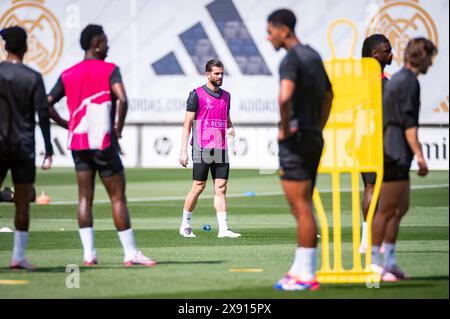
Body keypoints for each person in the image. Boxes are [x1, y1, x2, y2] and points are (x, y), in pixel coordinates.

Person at [47, 24, 156, 267]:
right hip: (103, 141)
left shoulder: (68, 73)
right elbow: (123, 99)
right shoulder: (109, 69)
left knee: (84, 198)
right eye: (105, 42)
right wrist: (118, 127)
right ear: (96, 43)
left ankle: (89, 255)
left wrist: (68, 124)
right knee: (117, 198)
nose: (108, 46)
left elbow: (47, 103)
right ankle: (130, 254)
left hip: (78, 143)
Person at [266, 9, 333, 291]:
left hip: (295, 139)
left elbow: (284, 98)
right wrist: (319, 126)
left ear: (284, 30)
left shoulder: (290, 59)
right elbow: (330, 95)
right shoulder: (313, 55)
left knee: (301, 207)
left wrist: (283, 128)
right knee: (303, 205)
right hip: (314, 137)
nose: (268, 37)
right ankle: (297, 270)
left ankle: (307, 276)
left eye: (270, 32)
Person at [371, 38, 437, 281]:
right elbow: (409, 123)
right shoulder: (408, 82)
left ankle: (389, 261)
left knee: (400, 207)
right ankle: (376, 264)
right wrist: (420, 156)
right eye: (430, 57)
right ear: (422, 57)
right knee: (387, 209)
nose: (431, 62)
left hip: (393, 150)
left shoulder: (399, 79)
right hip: (394, 151)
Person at [0, 26, 53, 270]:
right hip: (23, 147)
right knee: (22, 202)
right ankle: (18, 257)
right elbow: (43, 115)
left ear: (5, 46)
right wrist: (49, 148)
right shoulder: (33, 77)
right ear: (25, 48)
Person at [178, 59, 241, 239]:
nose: (220, 76)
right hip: (201, 147)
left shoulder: (227, 96)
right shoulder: (196, 95)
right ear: (208, 74)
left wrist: (230, 129)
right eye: (216, 73)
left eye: (222, 73)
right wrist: (183, 150)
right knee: (198, 187)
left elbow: (227, 119)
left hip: (220, 147)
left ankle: (223, 229)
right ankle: (185, 224)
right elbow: (187, 124)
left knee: (221, 188)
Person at [359, 34, 393, 254]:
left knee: (372, 187)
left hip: (364, 139)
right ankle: (368, 240)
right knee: (374, 187)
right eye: (387, 50)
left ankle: (369, 238)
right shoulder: (379, 83)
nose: (391, 54)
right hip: (376, 140)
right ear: (374, 55)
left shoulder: (358, 80)